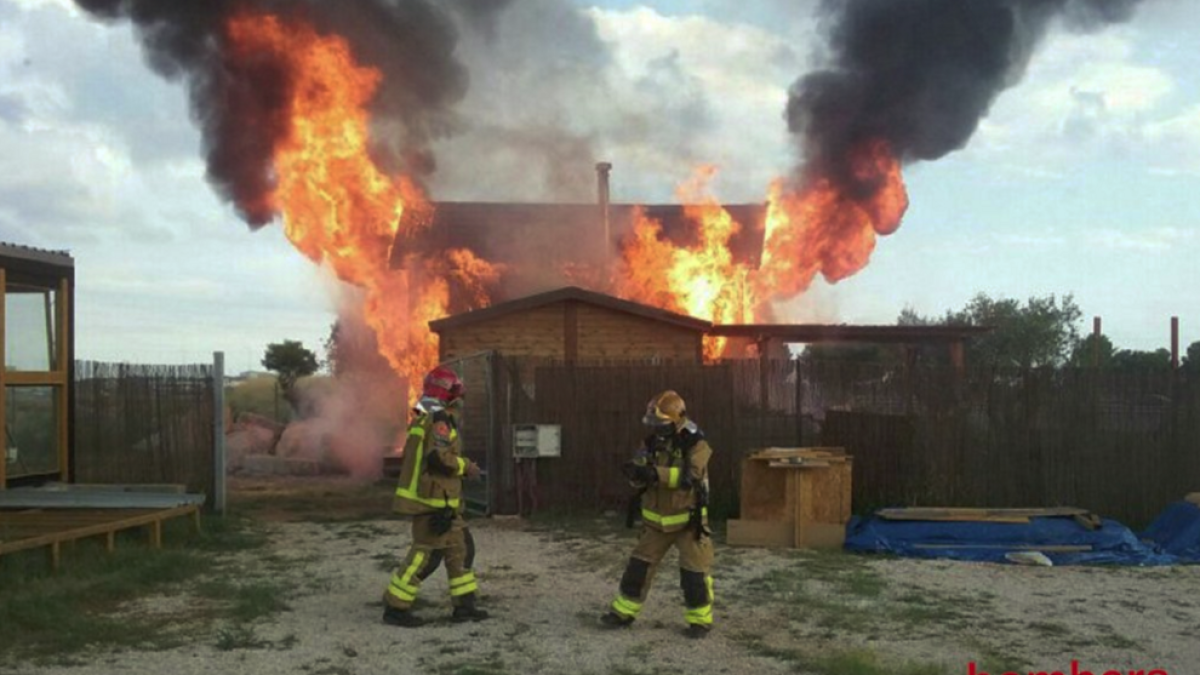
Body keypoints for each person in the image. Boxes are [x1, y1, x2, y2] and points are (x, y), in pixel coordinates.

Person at [600, 390, 715, 639]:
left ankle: (700, 621)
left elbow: (690, 477)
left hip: (688, 520)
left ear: (676, 419)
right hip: (656, 522)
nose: (656, 428)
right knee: (638, 569)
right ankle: (623, 613)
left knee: (694, 574)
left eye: (661, 423)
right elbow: (642, 472)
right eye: (653, 423)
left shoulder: (696, 443)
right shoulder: (651, 442)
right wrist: (636, 474)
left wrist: (655, 474)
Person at [382, 365, 489, 627]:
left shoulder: (423, 416)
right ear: (447, 394)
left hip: (444, 503)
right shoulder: (438, 419)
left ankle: (465, 606)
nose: (460, 399)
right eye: (457, 393)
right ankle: (395, 608)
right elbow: (437, 458)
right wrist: (466, 467)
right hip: (433, 502)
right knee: (426, 556)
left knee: (461, 551)